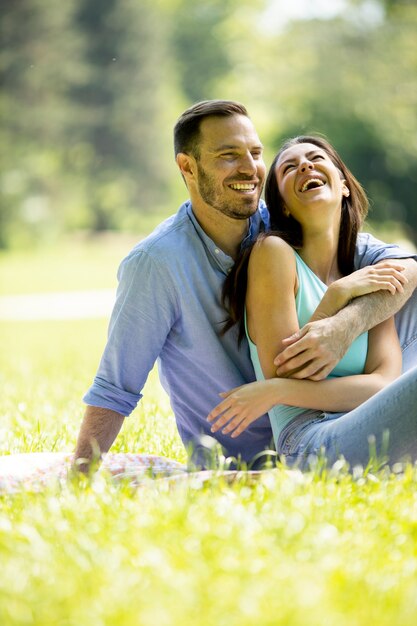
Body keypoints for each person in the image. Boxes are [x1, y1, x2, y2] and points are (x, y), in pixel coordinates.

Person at [74, 101, 417, 472]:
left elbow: (406, 269)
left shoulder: (287, 224)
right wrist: (77, 475)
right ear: (187, 167)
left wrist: (344, 323)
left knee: (398, 293)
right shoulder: (157, 264)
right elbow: (115, 387)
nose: (249, 168)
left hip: (351, 415)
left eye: (255, 153)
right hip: (256, 451)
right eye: (228, 155)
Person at [208, 135, 417, 469]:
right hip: (307, 440)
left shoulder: (368, 275)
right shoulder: (273, 253)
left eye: (316, 157)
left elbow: (383, 383)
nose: (305, 165)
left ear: (345, 185)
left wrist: (276, 392)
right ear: (285, 206)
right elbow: (287, 369)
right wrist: (336, 296)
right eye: (290, 168)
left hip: (373, 426)